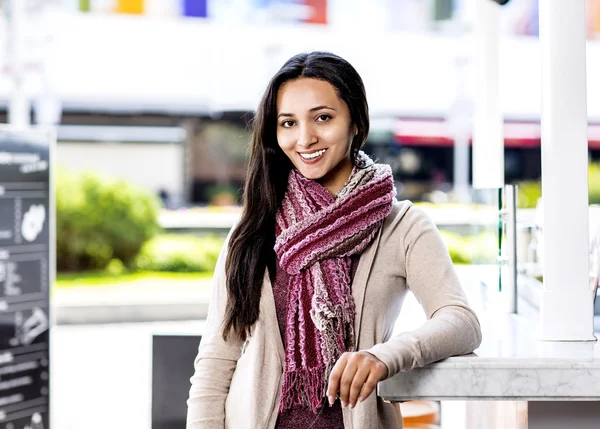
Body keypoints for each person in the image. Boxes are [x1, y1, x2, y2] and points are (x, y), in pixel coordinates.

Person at [186, 51, 482, 429]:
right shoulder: (254, 228)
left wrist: (385, 356)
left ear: (357, 121)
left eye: (323, 118)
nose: (305, 138)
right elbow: (216, 359)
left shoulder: (404, 226)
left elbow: (461, 321)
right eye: (288, 123)